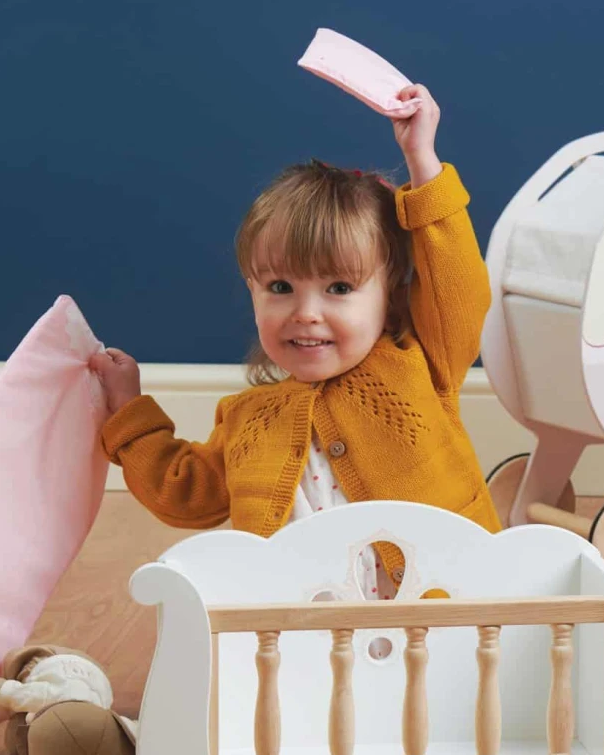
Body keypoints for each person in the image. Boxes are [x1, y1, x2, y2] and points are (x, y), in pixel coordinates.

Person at [90, 84, 498, 597]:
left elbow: (458, 286)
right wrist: (128, 411)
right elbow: (181, 491)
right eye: (281, 288)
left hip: (442, 623)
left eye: (339, 288)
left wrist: (422, 161)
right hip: (301, 635)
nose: (306, 314)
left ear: (390, 294)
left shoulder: (421, 364)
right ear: (252, 291)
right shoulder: (248, 419)